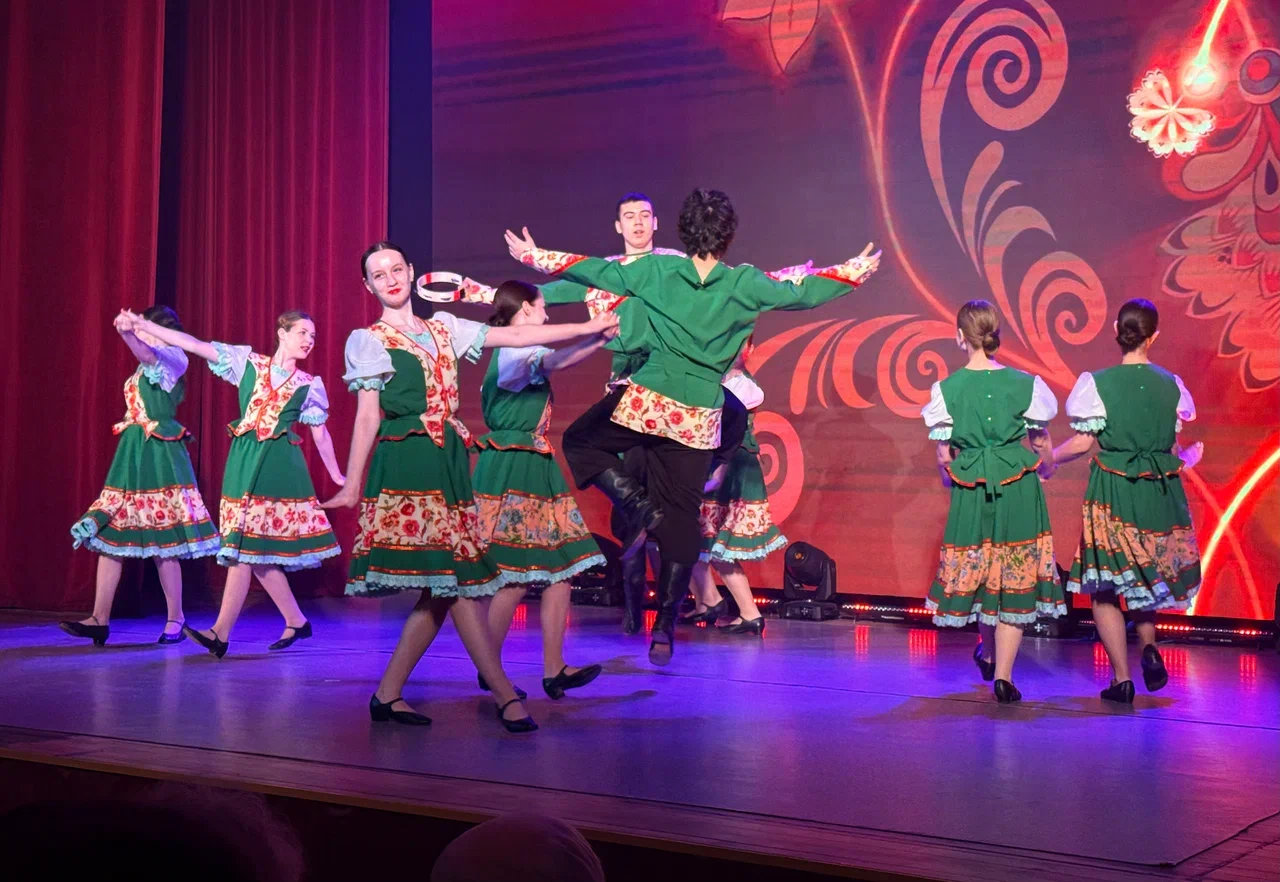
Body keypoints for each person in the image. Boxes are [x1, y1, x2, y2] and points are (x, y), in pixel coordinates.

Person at [506, 188, 880, 665]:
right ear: (727, 236)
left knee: (581, 441)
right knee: (683, 517)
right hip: (699, 416)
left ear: (683, 232)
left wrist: (533, 256)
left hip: (649, 399)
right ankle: (664, 623)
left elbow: (593, 270)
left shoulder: (658, 270)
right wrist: (854, 271)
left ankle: (641, 508)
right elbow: (802, 293)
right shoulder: (743, 282)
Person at [323, 242, 617, 733]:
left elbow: (515, 335)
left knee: (441, 590)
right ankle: (505, 695)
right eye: (379, 274)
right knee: (454, 582)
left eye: (396, 268)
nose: (390, 279)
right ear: (368, 285)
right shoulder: (368, 340)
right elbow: (368, 415)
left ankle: (388, 693)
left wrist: (589, 328)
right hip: (409, 460)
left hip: (449, 461)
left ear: (411, 271)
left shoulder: (445, 327)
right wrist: (353, 483)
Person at [121, 309, 344, 657]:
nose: (309, 341)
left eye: (313, 336)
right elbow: (194, 344)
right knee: (254, 553)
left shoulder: (308, 385)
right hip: (242, 463)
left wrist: (338, 475)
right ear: (282, 332)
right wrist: (144, 326)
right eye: (302, 332)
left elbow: (321, 435)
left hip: (278, 469)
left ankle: (220, 632)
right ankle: (296, 620)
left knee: (242, 549)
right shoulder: (247, 362)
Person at [1051, 298, 1202, 703]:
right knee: (1146, 578)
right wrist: (1185, 459)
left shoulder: (1097, 384)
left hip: (1114, 493)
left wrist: (1049, 459)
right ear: (1154, 337)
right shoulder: (1171, 385)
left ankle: (1122, 679)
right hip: (1157, 492)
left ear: (1116, 330)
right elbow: (1171, 447)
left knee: (1105, 587)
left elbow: (1083, 442)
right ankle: (1149, 647)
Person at [472, 281, 613, 700]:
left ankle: (555, 668)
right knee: (516, 574)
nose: (547, 314)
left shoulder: (521, 351)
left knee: (560, 570)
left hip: (534, 462)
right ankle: (488, 667)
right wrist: (592, 330)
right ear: (526, 308)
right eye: (543, 307)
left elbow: (556, 360)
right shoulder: (512, 351)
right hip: (513, 463)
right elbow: (553, 360)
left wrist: (598, 340)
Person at [921, 300, 1065, 703]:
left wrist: (951, 483)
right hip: (1018, 484)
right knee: (1013, 573)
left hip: (973, 486)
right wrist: (1047, 467)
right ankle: (1003, 674)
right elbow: (1040, 441)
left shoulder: (946, 390)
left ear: (960, 337)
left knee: (984, 573)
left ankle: (989, 653)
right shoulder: (1026, 384)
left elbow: (943, 455)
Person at [61, 306, 220, 646]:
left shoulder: (175, 359)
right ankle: (99, 618)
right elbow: (143, 358)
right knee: (110, 534)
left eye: (146, 329)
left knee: (164, 540)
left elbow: (148, 356)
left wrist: (128, 331)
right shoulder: (142, 367)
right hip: (132, 453)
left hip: (160, 455)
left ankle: (176, 617)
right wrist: (130, 330)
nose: (141, 336)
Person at [686, 348, 779, 635]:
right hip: (718, 463)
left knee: (716, 543)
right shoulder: (719, 378)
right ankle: (709, 601)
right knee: (696, 539)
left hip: (732, 467)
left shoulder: (742, 384)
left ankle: (749, 613)